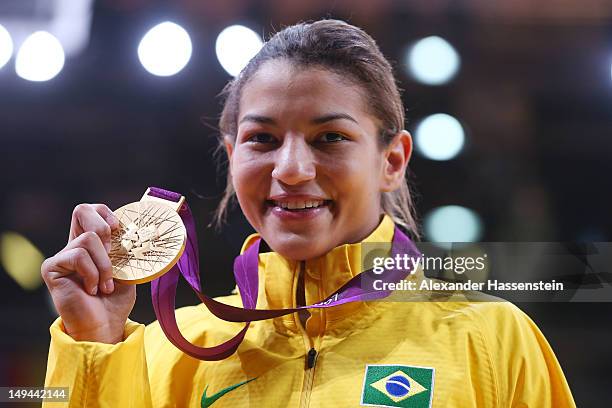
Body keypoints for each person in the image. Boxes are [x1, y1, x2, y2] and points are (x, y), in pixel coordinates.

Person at [41, 19, 575, 408]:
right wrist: (94, 345)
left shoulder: (491, 340)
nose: (292, 168)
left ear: (392, 160)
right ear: (232, 159)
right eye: (262, 139)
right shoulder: (168, 350)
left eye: (330, 137)